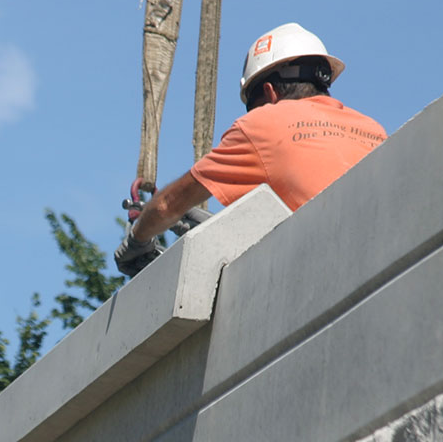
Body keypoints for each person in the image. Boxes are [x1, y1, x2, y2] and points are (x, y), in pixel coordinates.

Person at [115, 23, 387, 276]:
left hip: (317, 272)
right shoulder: (374, 130)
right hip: (379, 259)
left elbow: (166, 205)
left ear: (269, 93)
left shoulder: (260, 123)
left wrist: (136, 241)